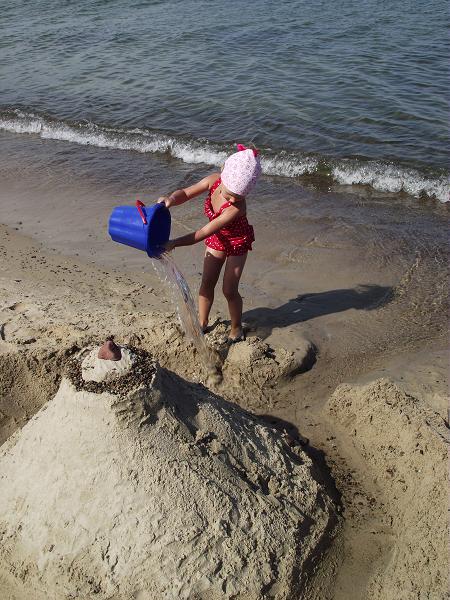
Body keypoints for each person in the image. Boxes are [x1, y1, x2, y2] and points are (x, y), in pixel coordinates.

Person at [158, 144, 261, 343]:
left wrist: (175, 243)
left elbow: (204, 232)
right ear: (223, 174)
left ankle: (236, 327)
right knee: (207, 282)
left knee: (229, 289)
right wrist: (170, 199)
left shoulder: (236, 208)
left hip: (237, 242)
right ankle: (202, 321)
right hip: (218, 237)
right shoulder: (213, 180)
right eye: (229, 195)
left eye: (238, 197)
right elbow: (185, 193)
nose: (233, 200)